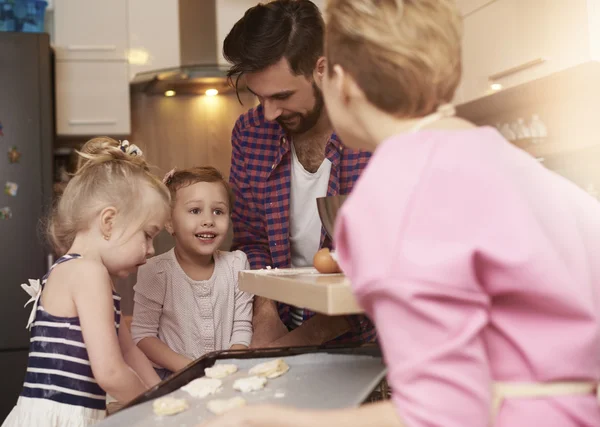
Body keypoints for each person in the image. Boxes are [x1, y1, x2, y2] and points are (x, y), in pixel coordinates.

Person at [200, 0, 600, 426]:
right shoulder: (511, 163)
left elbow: (444, 412)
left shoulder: (393, 193)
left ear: (336, 77)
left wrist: (268, 420)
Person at [223, 0, 374, 348]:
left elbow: (382, 266)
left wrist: (298, 343)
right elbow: (252, 241)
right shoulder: (250, 133)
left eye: (282, 96)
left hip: (367, 342)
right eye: (260, 97)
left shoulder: (369, 131)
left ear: (321, 68)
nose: (270, 113)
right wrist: (264, 315)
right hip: (287, 327)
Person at [3, 137, 169, 427]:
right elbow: (110, 372)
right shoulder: (87, 273)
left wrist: (167, 394)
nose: (152, 249)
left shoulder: (87, 272)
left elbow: (128, 351)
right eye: (148, 234)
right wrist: (159, 412)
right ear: (108, 222)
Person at [131, 167, 253, 379]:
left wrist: (227, 368)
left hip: (226, 374)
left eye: (218, 211)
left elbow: (242, 326)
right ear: (169, 222)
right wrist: (193, 368)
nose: (208, 220)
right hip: (170, 377)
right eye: (195, 211)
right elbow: (143, 335)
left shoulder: (237, 264)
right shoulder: (155, 271)